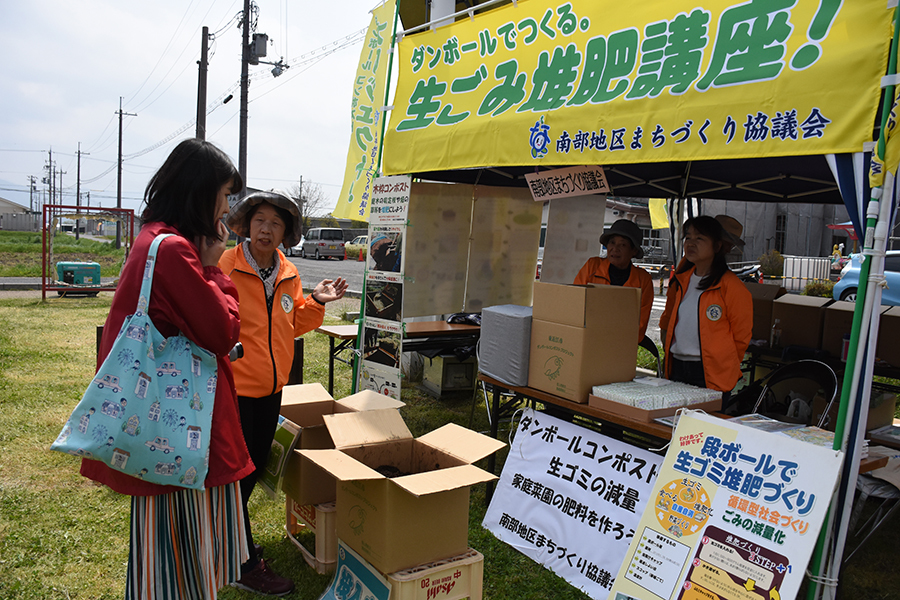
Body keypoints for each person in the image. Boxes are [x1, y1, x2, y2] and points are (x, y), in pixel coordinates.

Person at [80, 138, 254, 599]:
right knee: (185, 564)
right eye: (223, 195)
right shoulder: (176, 251)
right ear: (200, 192)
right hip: (182, 435)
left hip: (161, 422)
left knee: (163, 562)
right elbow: (221, 333)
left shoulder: (151, 238)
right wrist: (215, 269)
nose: (226, 207)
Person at [219, 189, 348, 595]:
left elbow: (289, 324)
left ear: (285, 232)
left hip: (272, 391)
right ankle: (238, 559)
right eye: (260, 221)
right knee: (237, 476)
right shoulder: (226, 265)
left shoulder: (288, 273)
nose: (267, 229)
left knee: (254, 468)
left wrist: (317, 301)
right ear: (246, 225)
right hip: (235, 392)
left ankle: (228, 547)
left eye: (276, 223)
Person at [659, 215, 752, 393]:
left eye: (699, 238)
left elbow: (741, 337)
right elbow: (668, 317)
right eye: (688, 237)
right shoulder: (681, 279)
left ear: (718, 246)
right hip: (677, 366)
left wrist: (723, 366)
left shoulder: (731, 286)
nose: (691, 243)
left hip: (709, 372)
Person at [573, 219, 653, 343]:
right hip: (588, 339)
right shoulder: (592, 266)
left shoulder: (643, 279)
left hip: (622, 345)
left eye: (623, 245)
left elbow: (640, 323)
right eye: (612, 243)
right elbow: (575, 303)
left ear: (634, 251)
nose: (615, 249)